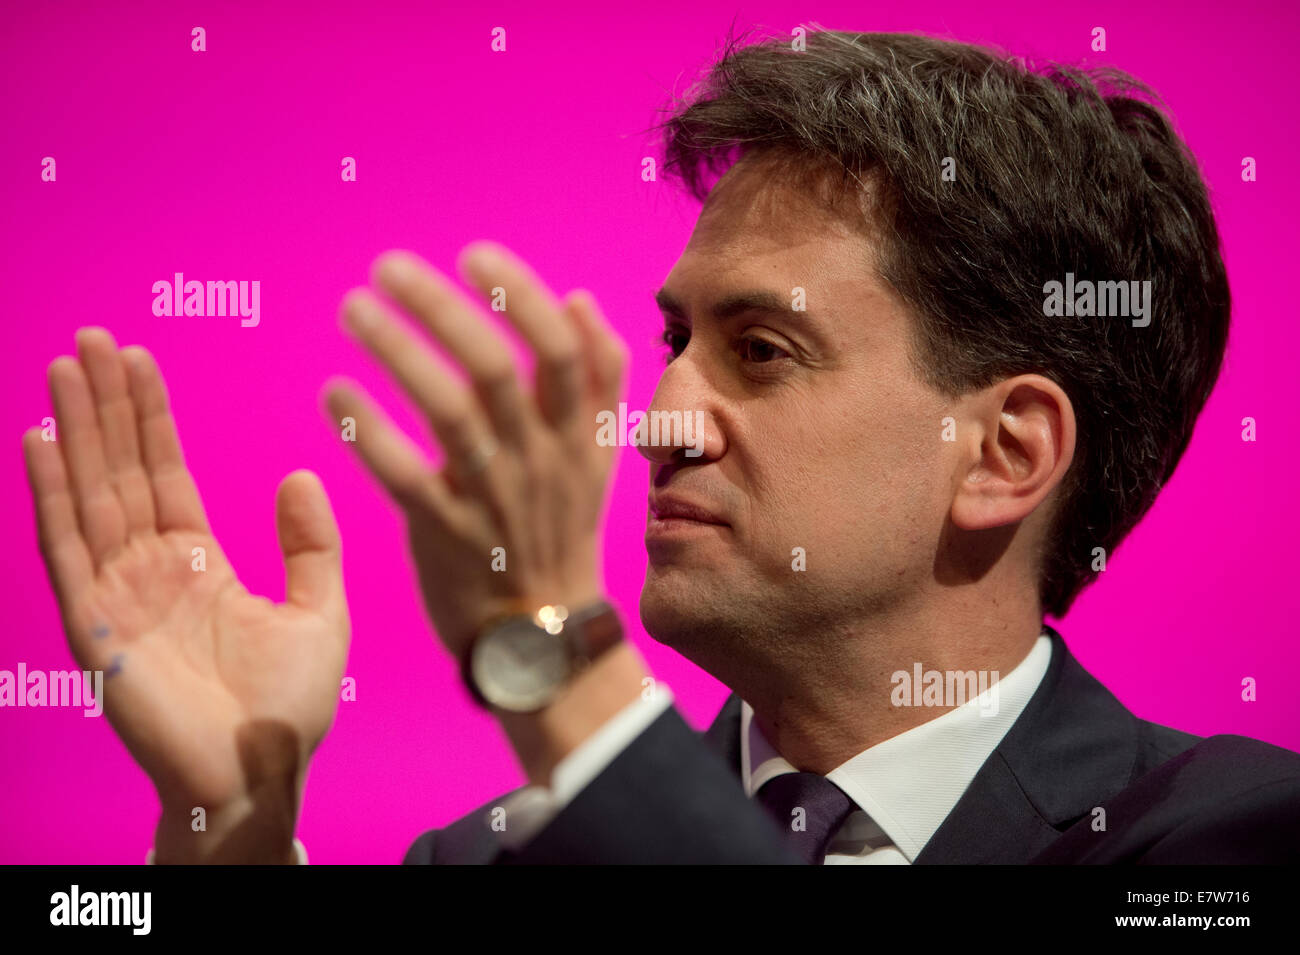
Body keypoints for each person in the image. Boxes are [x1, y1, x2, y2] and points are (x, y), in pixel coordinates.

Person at [23, 30, 1300, 865]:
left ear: (1004, 454)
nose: (656, 421)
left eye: (762, 350)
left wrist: (554, 659)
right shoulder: (490, 859)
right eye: (674, 339)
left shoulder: (1224, 842)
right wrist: (232, 827)